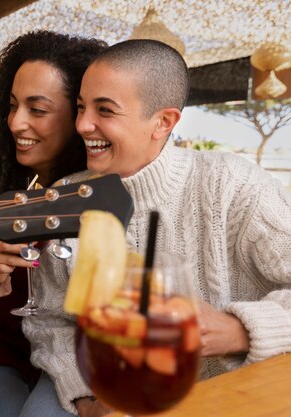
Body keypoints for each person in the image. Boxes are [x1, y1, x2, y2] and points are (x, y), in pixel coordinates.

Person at [20, 38, 291, 416]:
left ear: (163, 122)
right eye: (81, 107)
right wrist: (87, 399)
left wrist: (237, 330)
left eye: (105, 110)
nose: (82, 124)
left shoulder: (233, 185)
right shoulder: (65, 198)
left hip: (232, 392)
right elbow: (51, 322)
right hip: (105, 389)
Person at [0, 31, 107, 417]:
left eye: (37, 110)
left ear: (80, 115)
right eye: (11, 105)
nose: (16, 122)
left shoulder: (100, 190)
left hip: (69, 353)